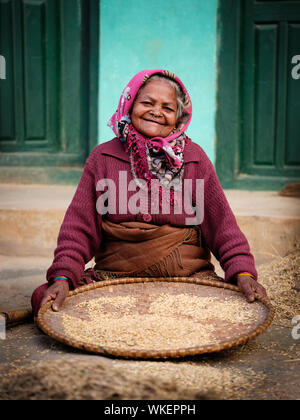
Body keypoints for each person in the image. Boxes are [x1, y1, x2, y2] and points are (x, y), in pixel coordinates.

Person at [31, 69, 267, 318]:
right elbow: (78, 227)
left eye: (167, 107)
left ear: (179, 117)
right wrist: (63, 276)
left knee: (242, 305)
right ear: (130, 104)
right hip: (114, 277)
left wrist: (243, 272)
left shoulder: (194, 158)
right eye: (147, 103)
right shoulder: (103, 157)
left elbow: (223, 225)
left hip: (187, 277)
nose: (157, 111)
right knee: (45, 299)